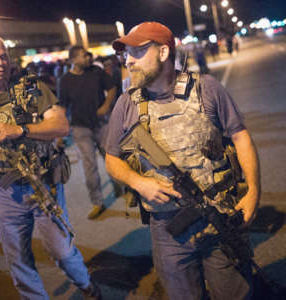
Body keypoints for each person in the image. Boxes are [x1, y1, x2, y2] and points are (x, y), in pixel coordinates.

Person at [104, 22, 261, 300]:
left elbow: (240, 137)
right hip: (168, 231)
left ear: (163, 52)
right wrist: (140, 183)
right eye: (125, 54)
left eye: (137, 52)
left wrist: (253, 193)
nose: (128, 61)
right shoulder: (126, 103)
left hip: (218, 218)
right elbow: (112, 159)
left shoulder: (206, 89)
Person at [0, 36, 101, 300]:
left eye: (3, 56)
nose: (0, 62)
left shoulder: (31, 88)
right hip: (7, 194)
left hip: (43, 186)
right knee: (18, 260)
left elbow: (61, 126)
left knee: (61, 251)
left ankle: (87, 286)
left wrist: (20, 130)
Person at [58, 45, 117, 219]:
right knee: (89, 167)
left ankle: (123, 188)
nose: (88, 58)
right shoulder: (65, 80)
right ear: (73, 60)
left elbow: (112, 88)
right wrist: (60, 135)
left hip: (100, 124)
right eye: (84, 56)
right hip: (80, 128)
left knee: (113, 158)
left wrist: (106, 106)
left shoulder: (96, 72)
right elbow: (63, 107)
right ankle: (97, 203)